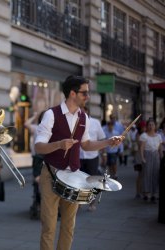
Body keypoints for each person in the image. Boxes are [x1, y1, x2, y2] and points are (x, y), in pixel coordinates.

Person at [34, 75, 123, 250]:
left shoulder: (84, 117)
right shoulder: (51, 114)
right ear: (72, 93)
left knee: (69, 227)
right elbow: (39, 147)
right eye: (84, 93)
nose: (87, 97)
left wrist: (107, 142)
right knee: (49, 227)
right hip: (51, 173)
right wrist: (59, 144)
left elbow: (87, 145)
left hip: (74, 176)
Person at [79, 106, 106, 212]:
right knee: (80, 180)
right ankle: (80, 202)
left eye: (84, 112)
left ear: (88, 112)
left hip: (92, 156)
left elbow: (102, 139)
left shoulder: (95, 123)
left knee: (92, 180)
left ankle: (92, 203)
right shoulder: (75, 123)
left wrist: (104, 155)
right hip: (79, 156)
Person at [139, 118, 163, 203]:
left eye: (152, 125)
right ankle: (146, 193)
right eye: (149, 125)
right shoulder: (144, 136)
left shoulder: (159, 136)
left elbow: (160, 148)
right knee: (147, 174)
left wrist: (161, 157)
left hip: (156, 156)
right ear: (147, 126)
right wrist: (142, 158)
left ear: (155, 126)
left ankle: (154, 194)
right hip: (147, 155)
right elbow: (141, 148)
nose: (151, 126)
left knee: (155, 174)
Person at [133, 122, 146, 199]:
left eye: (145, 127)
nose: (144, 128)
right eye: (143, 127)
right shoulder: (138, 135)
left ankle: (143, 191)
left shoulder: (146, 134)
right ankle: (138, 192)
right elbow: (140, 145)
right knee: (140, 175)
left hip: (145, 156)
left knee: (144, 175)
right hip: (139, 157)